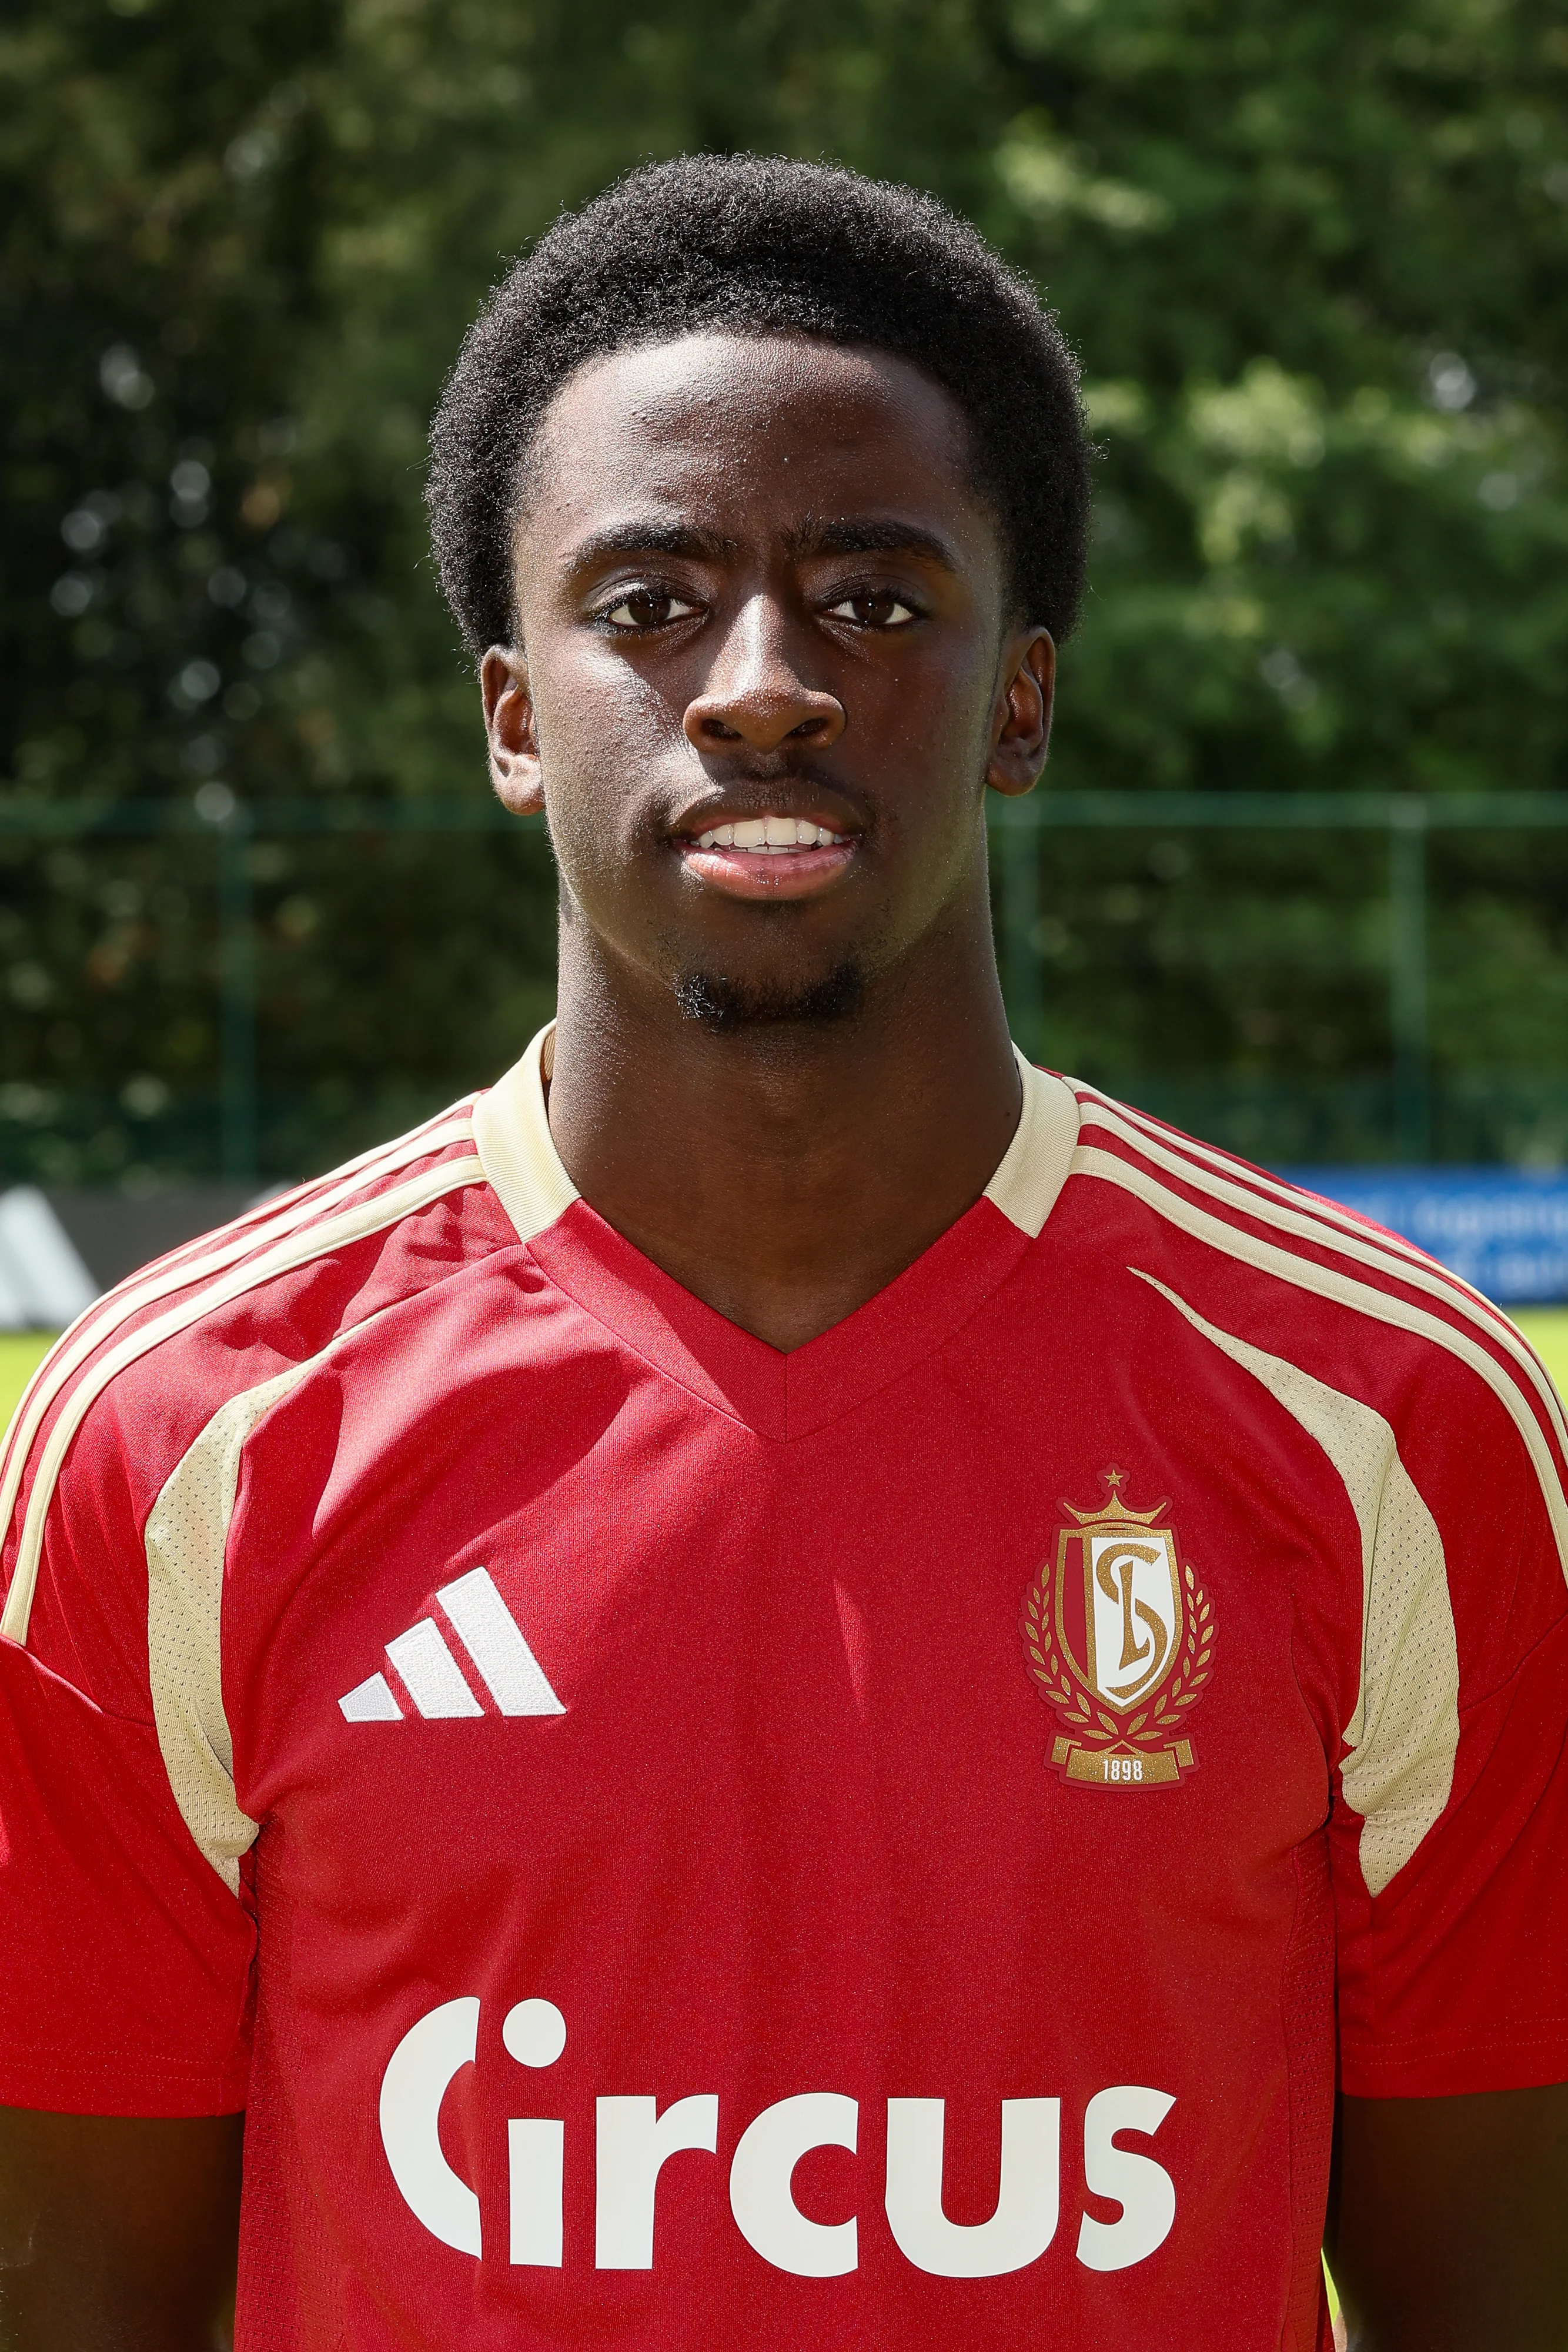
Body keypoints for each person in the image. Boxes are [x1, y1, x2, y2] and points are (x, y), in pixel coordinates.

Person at [1, 153, 1565, 2352]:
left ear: (1022, 702)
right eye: (649, 604)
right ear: (516, 717)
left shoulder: (1389, 1426)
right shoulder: (183, 1443)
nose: (760, 686)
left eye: (874, 596)